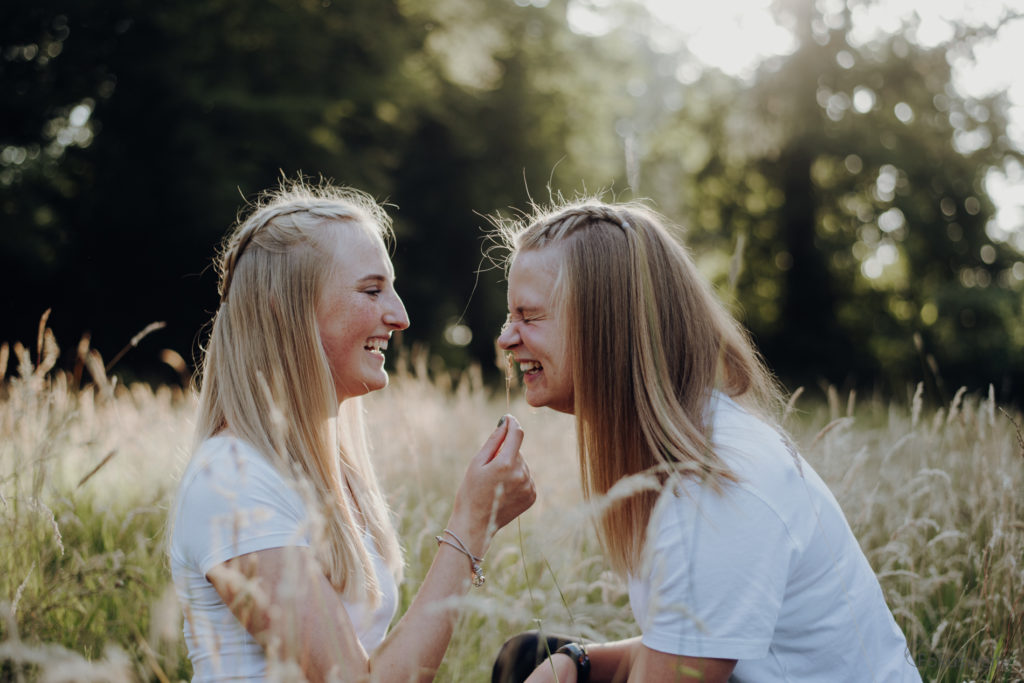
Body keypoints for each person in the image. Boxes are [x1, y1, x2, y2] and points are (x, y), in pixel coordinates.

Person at [491, 200, 920, 682]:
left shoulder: (717, 491)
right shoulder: (673, 450)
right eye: (510, 316)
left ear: (605, 326)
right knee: (529, 658)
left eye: (529, 316)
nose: (507, 337)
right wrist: (576, 660)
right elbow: (680, 649)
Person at [168, 179, 536, 682]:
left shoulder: (320, 470)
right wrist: (472, 526)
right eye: (371, 290)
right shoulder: (234, 482)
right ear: (285, 307)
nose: (400, 316)